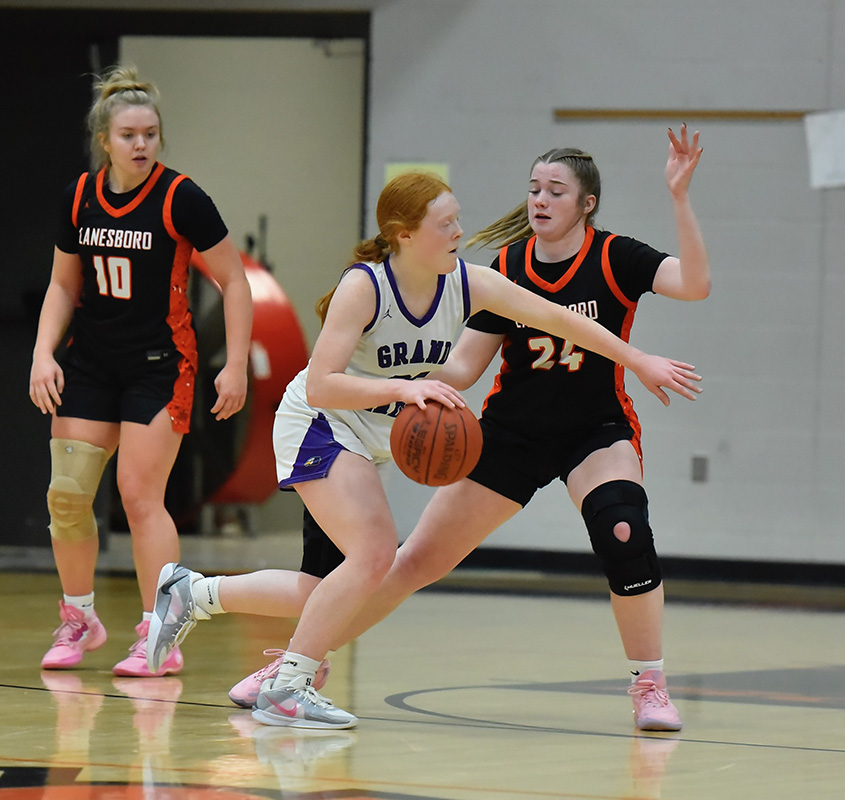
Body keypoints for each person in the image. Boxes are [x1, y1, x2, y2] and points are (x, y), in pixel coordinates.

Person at [146, 168, 701, 730]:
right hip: (320, 424)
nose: (461, 230)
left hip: (369, 440)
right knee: (374, 557)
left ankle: (195, 593)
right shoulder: (364, 286)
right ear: (405, 233)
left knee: (329, 586)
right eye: (447, 223)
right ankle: (290, 685)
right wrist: (403, 387)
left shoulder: (469, 282)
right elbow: (319, 384)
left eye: (458, 218)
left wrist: (638, 359)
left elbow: (559, 319)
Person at [28, 65, 253, 678]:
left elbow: (234, 282)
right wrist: (43, 353)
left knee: (138, 495)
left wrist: (234, 365)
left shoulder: (182, 198)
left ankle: (161, 632)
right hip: (93, 362)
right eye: (129, 134)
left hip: (161, 363)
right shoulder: (81, 195)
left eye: (150, 133)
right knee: (67, 497)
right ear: (106, 139)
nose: (141, 144)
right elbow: (61, 284)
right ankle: (80, 619)